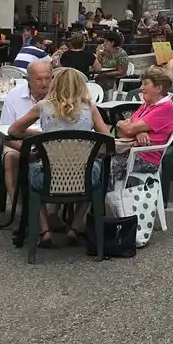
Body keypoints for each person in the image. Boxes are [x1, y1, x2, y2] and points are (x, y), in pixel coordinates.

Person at [9, 67, 110, 247]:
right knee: (96, 174)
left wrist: (36, 134)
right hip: (83, 178)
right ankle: (75, 226)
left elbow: (14, 130)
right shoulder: (89, 108)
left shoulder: (43, 106)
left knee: (29, 172)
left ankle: (44, 230)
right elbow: (107, 139)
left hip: (49, 178)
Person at [0, 60, 53, 227]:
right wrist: (24, 149)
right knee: (10, 157)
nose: (44, 83)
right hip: (20, 143)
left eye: (48, 78)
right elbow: (7, 133)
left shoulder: (58, 95)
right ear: (28, 79)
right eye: (39, 79)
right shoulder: (14, 96)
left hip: (53, 145)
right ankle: (22, 212)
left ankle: (53, 215)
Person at [111, 66, 173, 184]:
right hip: (132, 152)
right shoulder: (147, 104)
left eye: (145, 84)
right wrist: (138, 132)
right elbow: (123, 131)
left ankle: (101, 195)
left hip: (145, 158)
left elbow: (129, 129)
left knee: (102, 168)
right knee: (94, 161)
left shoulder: (164, 108)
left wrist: (126, 126)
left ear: (158, 88)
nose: (141, 88)